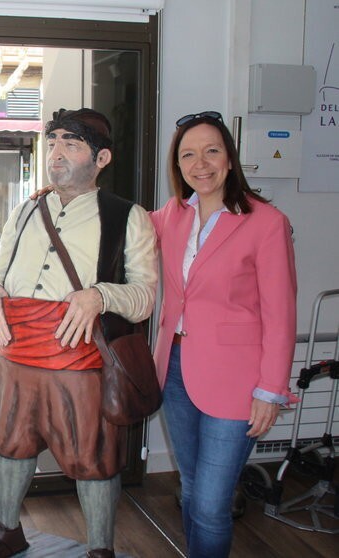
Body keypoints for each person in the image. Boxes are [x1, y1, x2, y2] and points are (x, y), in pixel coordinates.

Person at [0, 108, 157, 558]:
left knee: (94, 456)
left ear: (101, 158)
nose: (56, 153)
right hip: (14, 353)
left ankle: (100, 550)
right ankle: (6, 530)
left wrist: (100, 296)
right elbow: (0, 273)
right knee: (7, 443)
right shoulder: (26, 210)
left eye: (71, 143)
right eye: (52, 143)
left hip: (79, 361)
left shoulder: (128, 217)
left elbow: (145, 297)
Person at [150, 111, 296, 557]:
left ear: (230, 158)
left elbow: (281, 313)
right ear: (177, 165)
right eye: (188, 155)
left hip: (238, 380)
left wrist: (270, 390)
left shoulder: (265, 221)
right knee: (192, 489)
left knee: (212, 505)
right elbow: (119, 223)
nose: (200, 164)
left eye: (211, 151)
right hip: (175, 368)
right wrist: (66, 194)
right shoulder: (172, 216)